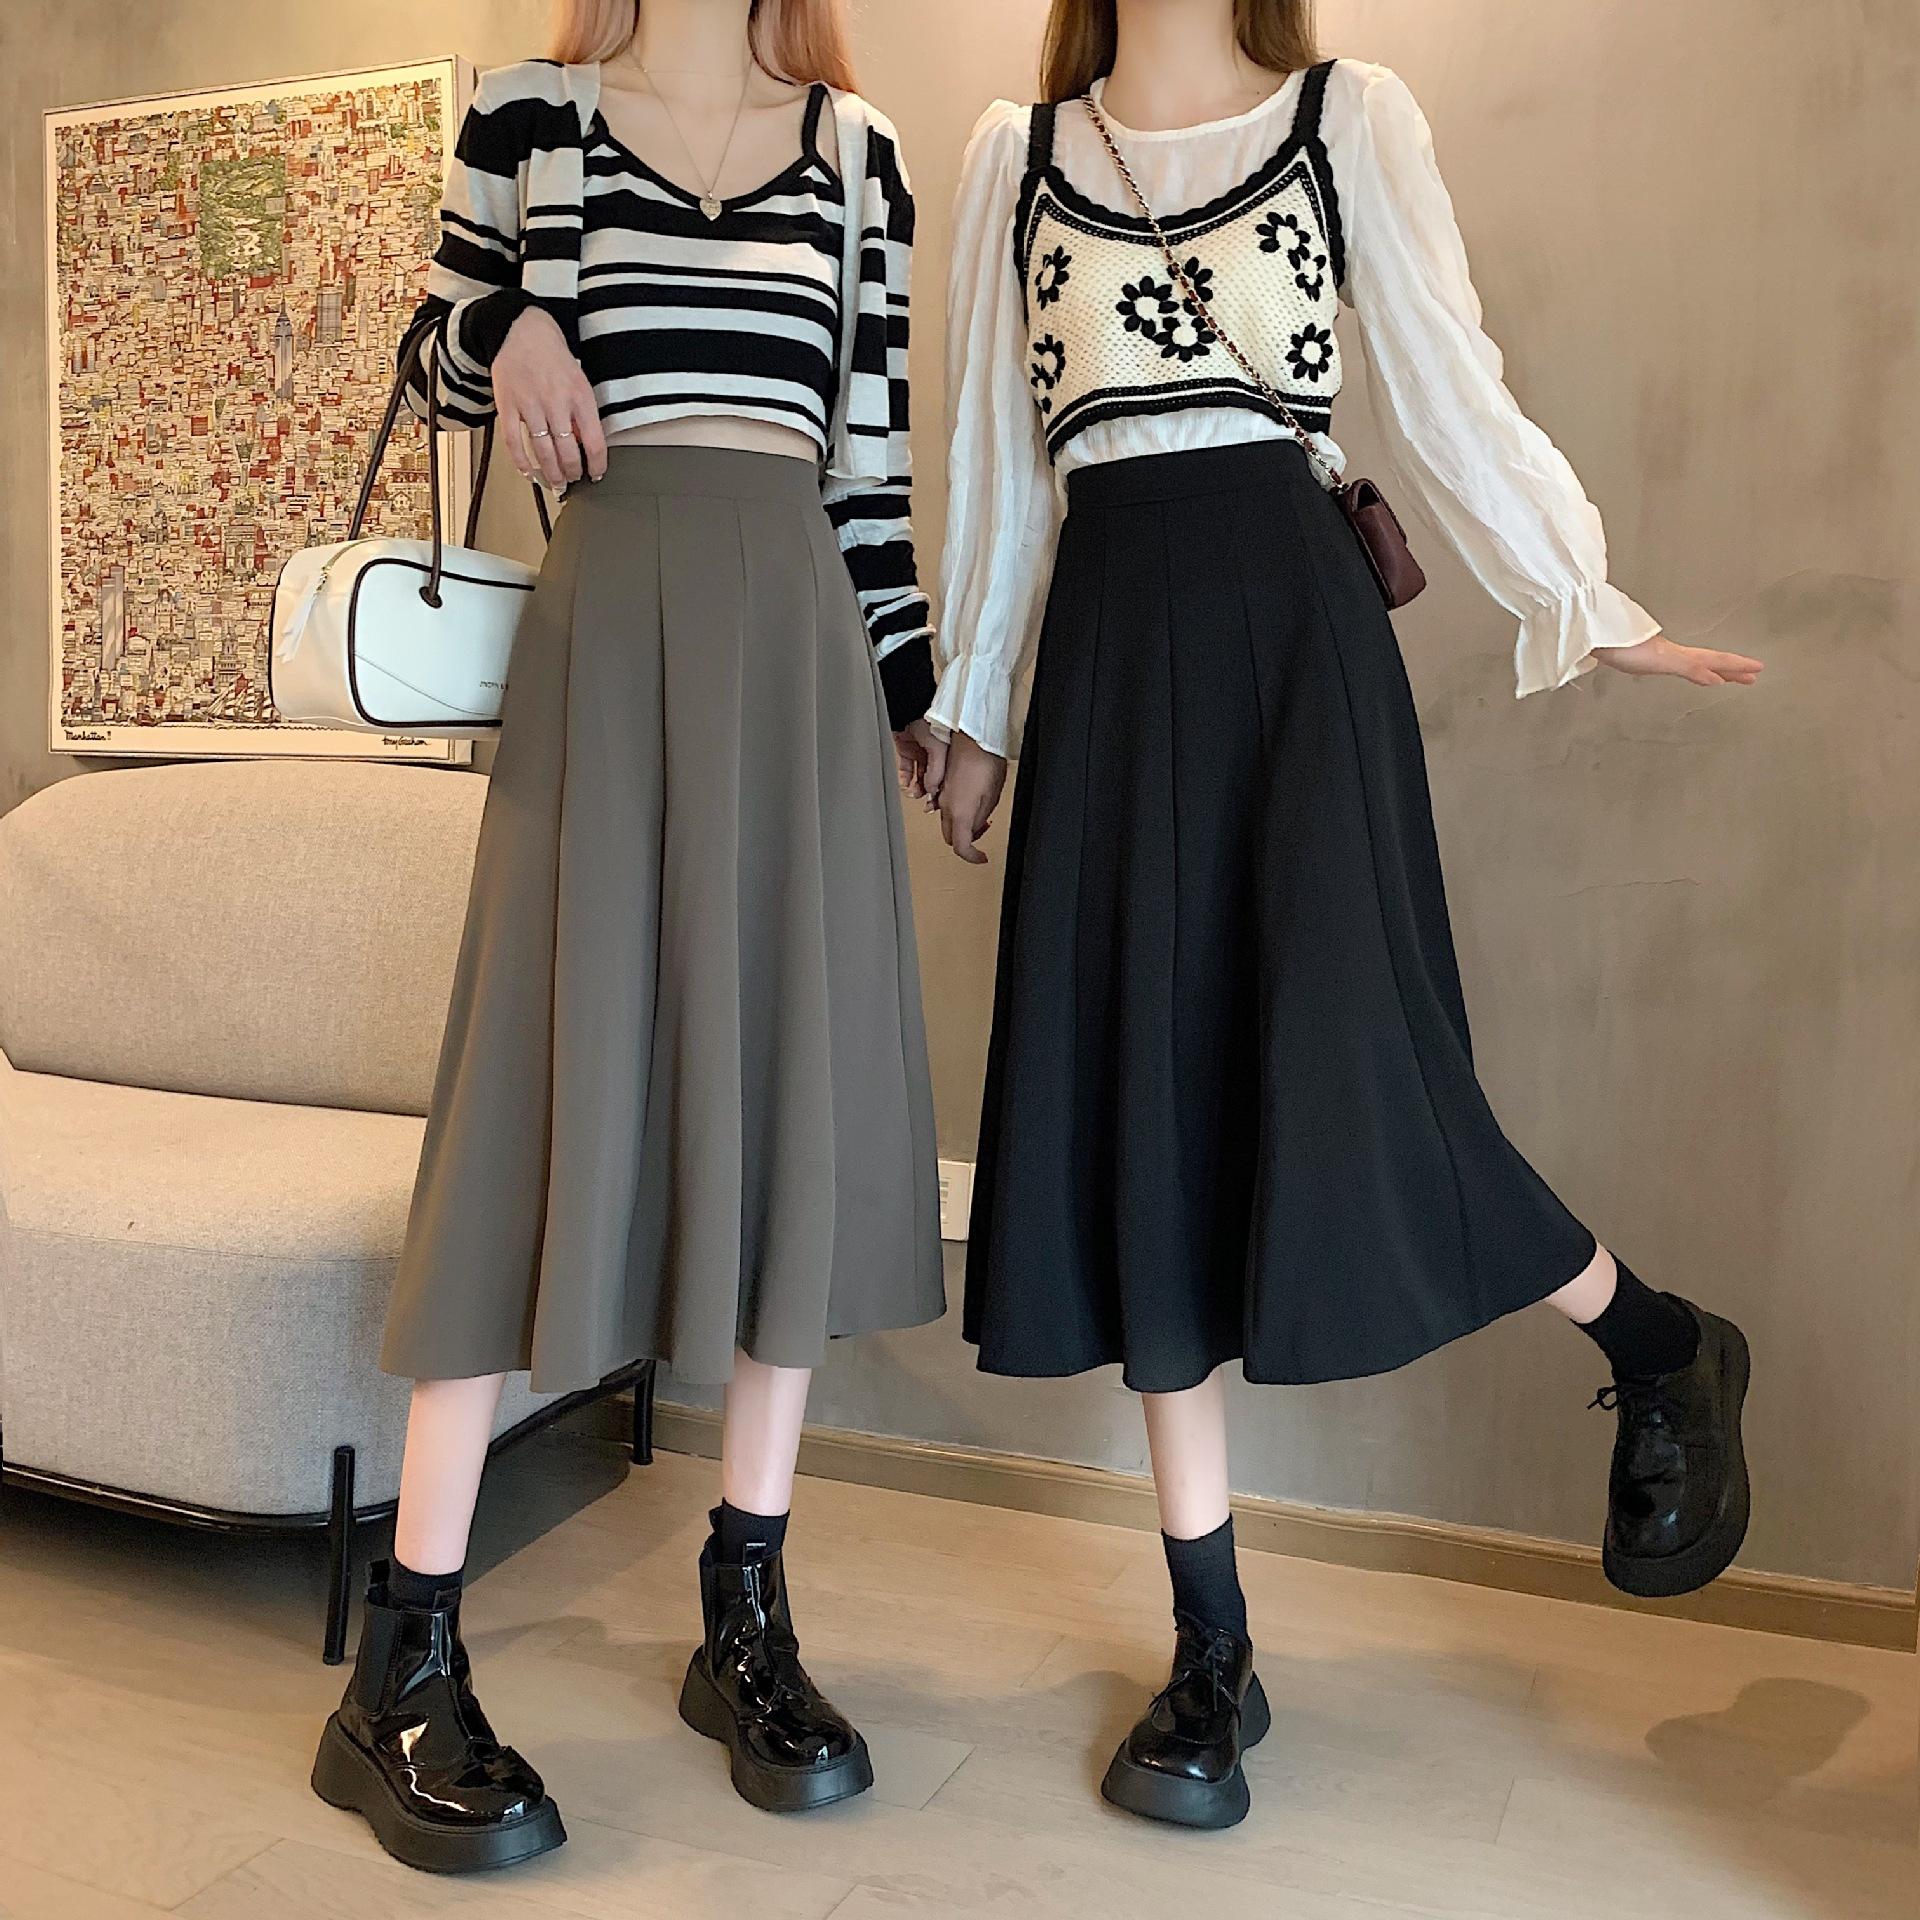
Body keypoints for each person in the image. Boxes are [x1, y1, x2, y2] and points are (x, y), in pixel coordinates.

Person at [930, 0, 1762, 1832]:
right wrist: (974, 709)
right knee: (1148, 1132)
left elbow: (1452, 382)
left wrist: (1582, 599)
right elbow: (995, 457)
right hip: (1112, 664)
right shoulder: (1016, 160)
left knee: (1370, 1075)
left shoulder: (1344, 118)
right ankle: (1211, 1648)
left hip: (1300, 660)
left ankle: (1657, 1342)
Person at [310, 0, 945, 1870]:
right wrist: (509, 321)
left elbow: (870, 466)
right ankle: (402, 1657)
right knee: (529, 1095)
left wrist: (915, 698)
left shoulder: (861, 155)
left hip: (798, 666)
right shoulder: (532, 112)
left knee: (784, 1110)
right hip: (601, 654)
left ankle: (744, 1616)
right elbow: (435, 355)